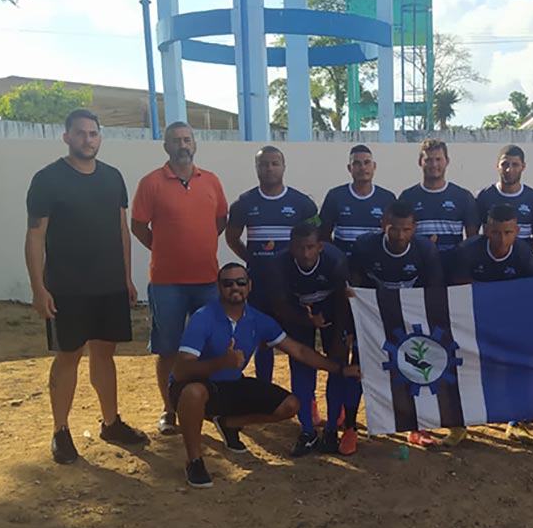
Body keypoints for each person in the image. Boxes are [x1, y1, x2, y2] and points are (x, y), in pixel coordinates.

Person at [25, 109, 148, 464]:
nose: (87, 139)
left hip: (108, 284)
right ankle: (60, 432)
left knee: (105, 354)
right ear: (67, 137)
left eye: (93, 134)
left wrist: (125, 278)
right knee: (68, 357)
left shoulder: (113, 178)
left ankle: (111, 423)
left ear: (100, 138)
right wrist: (38, 288)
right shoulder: (47, 179)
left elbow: (121, 229)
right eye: (80, 133)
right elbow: (35, 236)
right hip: (66, 287)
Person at [172, 262, 360, 488]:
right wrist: (221, 363)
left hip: (231, 385)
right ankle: (194, 460)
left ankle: (229, 424)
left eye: (241, 282)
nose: (235, 288)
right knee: (194, 392)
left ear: (249, 286)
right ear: (219, 287)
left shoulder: (258, 319)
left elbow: (299, 350)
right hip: (192, 387)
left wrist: (340, 369)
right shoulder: (203, 317)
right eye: (228, 283)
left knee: (291, 405)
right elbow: (181, 371)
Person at [131, 122, 228, 435]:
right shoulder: (151, 183)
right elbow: (138, 226)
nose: (182, 145)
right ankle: (170, 410)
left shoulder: (211, 181)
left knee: (213, 347)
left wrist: (197, 245)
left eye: (187, 139)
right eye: (175, 140)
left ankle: (212, 407)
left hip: (207, 281)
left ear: (195, 143)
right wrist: (163, 247)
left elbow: (220, 220)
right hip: (166, 283)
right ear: (166, 147)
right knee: (168, 348)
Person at [225, 145, 319, 414]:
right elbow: (232, 237)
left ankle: (308, 404)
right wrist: (252, 259)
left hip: (294, 287)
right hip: (260, 287)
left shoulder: (303, 203)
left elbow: (316, 238)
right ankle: (264, 399)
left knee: (299, 345)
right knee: (262, 343)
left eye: (274, 163)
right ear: (256, 168)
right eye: (263, 164)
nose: (269, 169)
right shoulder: (244, 203)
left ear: (283, 167)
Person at [446, 203, 533, 446]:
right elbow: (457, 286)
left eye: (508, 233)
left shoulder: (523, 254)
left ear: (517, 231)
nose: (502, 239)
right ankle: (458, 425)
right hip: (471, 317)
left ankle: (516, 423)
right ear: (486, 231)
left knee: (516, 367)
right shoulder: (468, 250)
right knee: (462, 367)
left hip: (511, 318)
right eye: (496, 232)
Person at [349, 199, 444, 446]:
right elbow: (353, 284)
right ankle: (349, 425)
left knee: (417, 368)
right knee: (359, 368)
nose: (400, 235)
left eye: (406, 229)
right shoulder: (365, 247)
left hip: (411, 317)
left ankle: (418, 426)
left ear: (414, 228)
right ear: (383, 225)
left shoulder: (426, 250)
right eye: (394, 228)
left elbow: (433, 292)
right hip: (372, 317)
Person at [268, 222, 355, 457]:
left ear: (320, 247)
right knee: (302, 367)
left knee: (337, 366)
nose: (305, 254)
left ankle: (331, 430)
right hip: (298, 312)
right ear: (290, 248)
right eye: (299, 248)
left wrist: (339, 336)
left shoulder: (335, 260)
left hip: (332, 309)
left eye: (310, 247)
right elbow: (279, 305)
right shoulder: (279, 264)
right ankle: (307, 430)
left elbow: (342, 301)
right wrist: (307, 321)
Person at [398, 138, 480, 252]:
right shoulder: (407, 197)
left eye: (438, 159)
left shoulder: (463, 197)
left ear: (447, 161)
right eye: (428, 160)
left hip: (452, 265)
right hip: (419, 266)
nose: (434, 164)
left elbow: (472, 240)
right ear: (420, 162)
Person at [318, 144, 397, 256]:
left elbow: (393, 236)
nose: (363, 168)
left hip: (376, 267)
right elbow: (323, 234)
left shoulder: (388, 198)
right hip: (344, 267)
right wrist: (336, 258)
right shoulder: (335, 196)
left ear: (374, 166)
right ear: (349, 168)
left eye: (367, 163)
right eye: (357, 163)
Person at [475, 145, 533, 242]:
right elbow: (475, 234)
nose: (509, 169)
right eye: (505, 164)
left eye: (515, 165)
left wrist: (524, 251)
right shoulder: (484, 196)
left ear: (523, 167)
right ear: (497, 166)